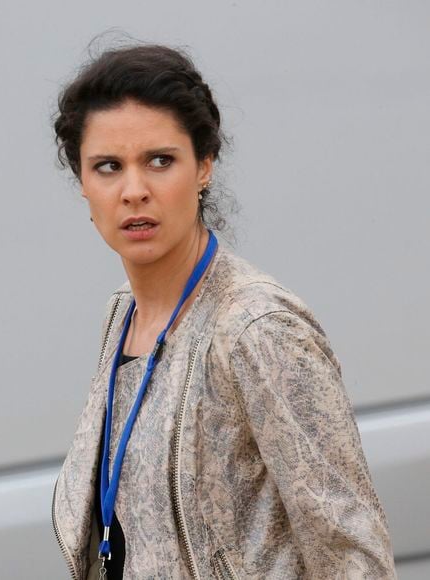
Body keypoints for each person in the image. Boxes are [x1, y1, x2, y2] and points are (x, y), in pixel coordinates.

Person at [50, 39, 396, 580]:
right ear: (83, 184)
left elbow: (353, 555)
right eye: (108, 167)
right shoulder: (122, 315)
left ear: (205, 165)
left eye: (160, 161)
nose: (133, 190)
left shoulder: (258, 328)